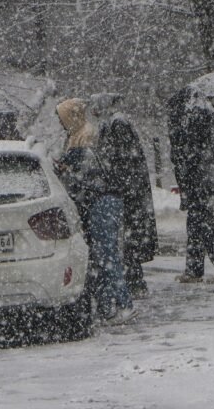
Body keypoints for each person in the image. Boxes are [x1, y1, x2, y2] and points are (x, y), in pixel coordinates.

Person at [54, 98, 134, 322]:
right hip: (99, 200)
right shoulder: (76, 135)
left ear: (71, 116)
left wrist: (67, 167)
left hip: (102, 201)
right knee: (101, 256)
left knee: (107, 255)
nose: (60, 123)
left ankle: (124, 304)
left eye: (62, 118)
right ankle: (107, 307)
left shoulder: (86, 135)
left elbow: (88, 172)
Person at [90, 93, 158, 298]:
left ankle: (135, 283)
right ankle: (134, 282)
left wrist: (116, 184)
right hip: (127, 190)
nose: (93, 111)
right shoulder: (112, 123)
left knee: (129, 239)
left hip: (127, 191)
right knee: (128, 239)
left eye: (96, 106)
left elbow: (123, 160)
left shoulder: (117, 124)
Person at [167, 86, 214, 283]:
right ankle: (197, 269)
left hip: (199, 182)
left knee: (201, 224)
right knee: (198, 224)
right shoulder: (211, 117)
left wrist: (182, 149)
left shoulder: (193, 120)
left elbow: (184, 153)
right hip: (208, 181)